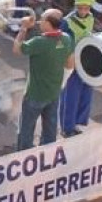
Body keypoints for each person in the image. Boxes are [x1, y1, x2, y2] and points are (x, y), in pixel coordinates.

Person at [13, 10, 74, 150]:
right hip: (54, 94)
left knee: (26, 131)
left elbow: (16, 49)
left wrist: (23, 28)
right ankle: (47, 157)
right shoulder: (66, 38)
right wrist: (61, 83)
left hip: (34, 94)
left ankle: (23, 156)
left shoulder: (38, 42)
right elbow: (70, 64)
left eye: (42, 19)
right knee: (50, 132)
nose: (39, 21)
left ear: (47, 23)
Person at [59, 0, 99, 137]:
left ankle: (78, 123)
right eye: (80, 8)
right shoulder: (67, 22)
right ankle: (67, 128)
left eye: (86, 8)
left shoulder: (91, 18)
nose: (83, 11)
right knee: (71, 95)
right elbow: (62, 43)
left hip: (87, 61)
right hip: (72, 61)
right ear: (76, 7)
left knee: (86, 92)